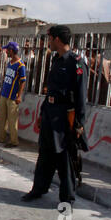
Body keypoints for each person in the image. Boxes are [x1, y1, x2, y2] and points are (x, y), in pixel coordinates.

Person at [22, 25, 89, 206]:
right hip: (50, 114)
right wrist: (42, 113)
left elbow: (82, 96)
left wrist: (79, 123)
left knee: (64, 158)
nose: (47, 42)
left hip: (64, 117)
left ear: (57, 39)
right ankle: (39, 189)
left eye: (49, 38)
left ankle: (67, 199)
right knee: (45, 154)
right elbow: (51, 90)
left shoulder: (76, 62)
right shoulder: (55, 60)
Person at [0, 42, 26, 148]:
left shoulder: (21, 65)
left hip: (13, 96)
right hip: (4, 94)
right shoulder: (10, 63)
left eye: (7, 50)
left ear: (11, 50)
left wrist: (19, 96)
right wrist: (1, 90)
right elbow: (6, 78)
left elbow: (23, 81)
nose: (6, 52)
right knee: (2, 118)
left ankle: (14, 141)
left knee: (12, 120)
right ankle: (1, 138)